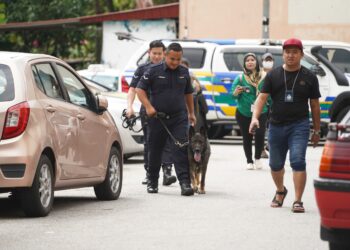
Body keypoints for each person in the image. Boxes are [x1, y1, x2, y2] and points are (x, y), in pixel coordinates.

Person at [249, 38, 321, 213]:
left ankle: (298, 200)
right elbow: (261, 98)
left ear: (301, 55)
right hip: (276, 125)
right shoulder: (273, 75)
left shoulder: (309, 77)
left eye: (295, 52)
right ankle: (281, 191)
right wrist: (254, 118)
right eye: (287, 52)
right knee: (275, 164)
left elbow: (315, 105)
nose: (291, 55)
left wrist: (317, 130)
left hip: (300, 125)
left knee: (297, 161)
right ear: (282, 54)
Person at [136, 42, 196, 196]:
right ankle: (152, 182)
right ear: (165, 56)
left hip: (178, 118)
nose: (175, 62)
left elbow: (188, 93)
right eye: (172, 59)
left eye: (178, 59)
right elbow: (139, 90)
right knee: (155, 150)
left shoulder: (184, 72)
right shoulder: (153, 71)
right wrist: (149, 107)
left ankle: (185, 183)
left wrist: (191, 113)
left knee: (180, 149)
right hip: (157, 118)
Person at [126, 40, 176, 186]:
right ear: (149, 53)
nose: (156, 56)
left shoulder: (171, 68)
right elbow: (132, 89)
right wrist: (129, 107)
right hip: (148, 111)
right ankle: (150, 173)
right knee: (150, 142)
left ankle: (167, 172)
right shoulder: (142, 69)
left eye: (159, 54)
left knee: (167, 140)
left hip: (168, 110)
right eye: (154, 53)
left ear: (164, 54)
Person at [231, 53, 268, 170]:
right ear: (244, 63)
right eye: (247, 60)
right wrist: (236, 92)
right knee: (247, 136)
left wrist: (273, 106)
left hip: (262, 111)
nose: (250, 62)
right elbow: (233, 96)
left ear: (257, 62)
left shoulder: (264, 76)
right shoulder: (240, 78)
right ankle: (249, 161)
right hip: (244, 112)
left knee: (260, 134)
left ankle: (257, 158)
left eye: (252, 60)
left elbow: (270, 95)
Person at [181, 58, 208, 131]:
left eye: (185, 68)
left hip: (192, 113)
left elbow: (196, 97)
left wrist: (197, 90)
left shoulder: (193, 80)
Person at [260, 52, 275, 159]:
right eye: (266, 60)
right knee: (261, 128)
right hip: (262, 104)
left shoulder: (276, 73)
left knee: (272, 127)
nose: (268, 62)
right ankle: (261, 150)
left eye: (270, 60)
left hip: (273, 104)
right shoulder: (259, 74)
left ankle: (269, 146)